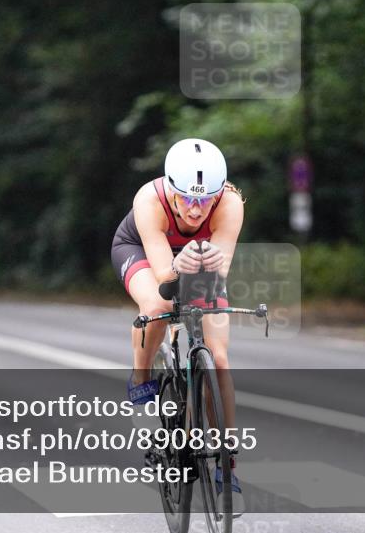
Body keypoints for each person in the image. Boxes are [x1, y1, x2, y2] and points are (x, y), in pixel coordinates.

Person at [110, 138, 246, 513]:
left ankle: (226, 463)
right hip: (141, 252)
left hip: (198, 263)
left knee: (219, 358)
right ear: (170, 187)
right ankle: (141, 376)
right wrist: (180, 265)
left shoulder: (231, 203)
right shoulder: (148, 200)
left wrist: (205, 270)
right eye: (186, 197)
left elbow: (217, 274)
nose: (195, 209)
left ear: (220, 193)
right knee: (158, 302)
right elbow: (164, 276)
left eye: (206, 200)